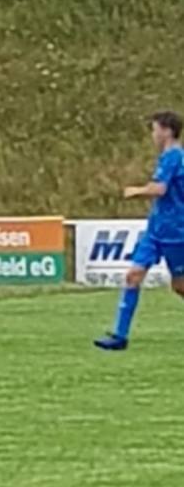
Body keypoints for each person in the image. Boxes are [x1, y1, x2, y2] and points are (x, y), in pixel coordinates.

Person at [95, 110, 184, 350]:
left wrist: (136, 191)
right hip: (156, 230)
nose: (153, 135)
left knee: (179, 286)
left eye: (155, 130)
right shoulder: (169, 156)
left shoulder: (174, 156)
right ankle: (119, 336)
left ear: (167, 131)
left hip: (176, 232)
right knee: (133, 275)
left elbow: (160, 189)